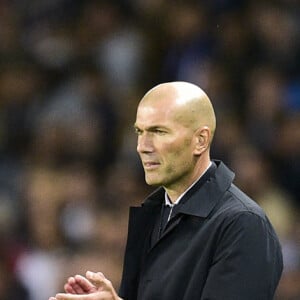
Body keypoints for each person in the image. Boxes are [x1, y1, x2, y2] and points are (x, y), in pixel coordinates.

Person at [49, 81, 283, 300]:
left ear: (201, 140)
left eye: (159, 132)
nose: (142, 147)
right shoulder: (154, 213)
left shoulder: (243, 224)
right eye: (139, 132)